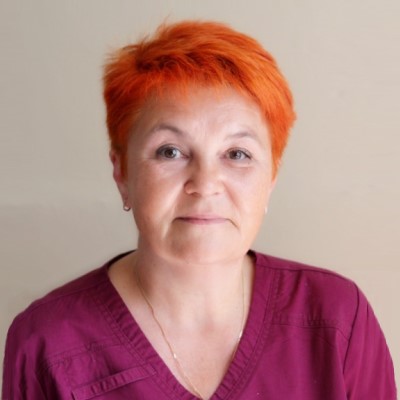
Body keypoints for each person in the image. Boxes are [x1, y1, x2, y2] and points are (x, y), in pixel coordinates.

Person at [2, 20, 396, 400]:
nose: (206, 184)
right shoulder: (46, 342)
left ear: (272, 177)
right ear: (122, 173)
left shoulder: (338, 318)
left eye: (237, 154)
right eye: (170, 152)